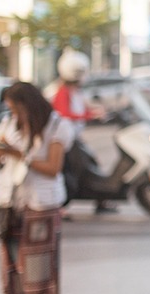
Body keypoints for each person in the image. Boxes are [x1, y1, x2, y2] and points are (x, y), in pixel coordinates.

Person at [0, 82, 74, 294]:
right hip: (10, 203)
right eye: (10, 108)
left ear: (29, 104)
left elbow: (53, 168)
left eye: (16, 108)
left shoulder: (56, 125)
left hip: (42, 204)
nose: (13, 113)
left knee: (39, 268)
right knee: (11, 269)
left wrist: (20, 156)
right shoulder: (9, 124)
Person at [51, 49, 116, 214]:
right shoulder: (62, 92)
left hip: (74, 138)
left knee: (92, 164)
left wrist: (95, 113)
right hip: (66, 141)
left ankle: (102, 200)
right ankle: (61, 207)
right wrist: (87, 116)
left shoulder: (75, 92)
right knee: (76, 172)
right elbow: (64, 114)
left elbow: (82, 110)